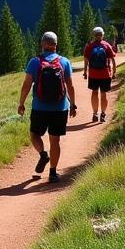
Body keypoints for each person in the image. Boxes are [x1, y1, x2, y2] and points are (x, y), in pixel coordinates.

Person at [17, 31, 77, 183]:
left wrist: (21, 103)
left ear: (43, 44)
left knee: (35, 134)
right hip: (60, 108)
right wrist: (73, 105)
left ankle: (43, 154)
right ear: (56, 45)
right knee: (55, 140)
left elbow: (26, 85)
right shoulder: (64, 62)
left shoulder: (35, 62)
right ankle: (52, 172)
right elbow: (70, 85)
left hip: (40, 108)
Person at [83, 25, 116, 123]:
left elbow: (86, 60)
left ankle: (94, 113)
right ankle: (103, 114)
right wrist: (114, 72)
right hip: (105, 74)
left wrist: (85, 72)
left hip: (93, 74)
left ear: (94, 35)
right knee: (103, 94)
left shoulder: (90, 46)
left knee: (94, 92)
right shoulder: (106, 45)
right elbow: (113, 60)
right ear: (102, 35)